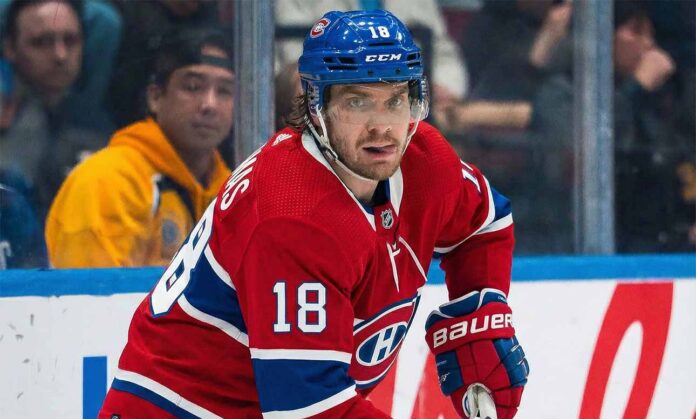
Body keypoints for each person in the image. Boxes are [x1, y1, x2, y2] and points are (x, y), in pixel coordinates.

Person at [99, 10, 528, 418]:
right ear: (316, 106)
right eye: (358, 102)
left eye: (395, 100)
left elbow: (484, 224)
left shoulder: (425, 160)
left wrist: (479, 310)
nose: (382, 127)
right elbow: (311, 410)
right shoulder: (292, 215)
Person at [45, 28, 233, 268]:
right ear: (155, 97)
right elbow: (94, 300)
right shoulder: (108, 180)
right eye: (193, 87)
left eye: (224, 91)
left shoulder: (233, 192)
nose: (210, 104)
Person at [0, 0, 110, 220]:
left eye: (71, 41)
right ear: (10, 48)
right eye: (41, 42)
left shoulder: (102, 127)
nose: (60, 55)